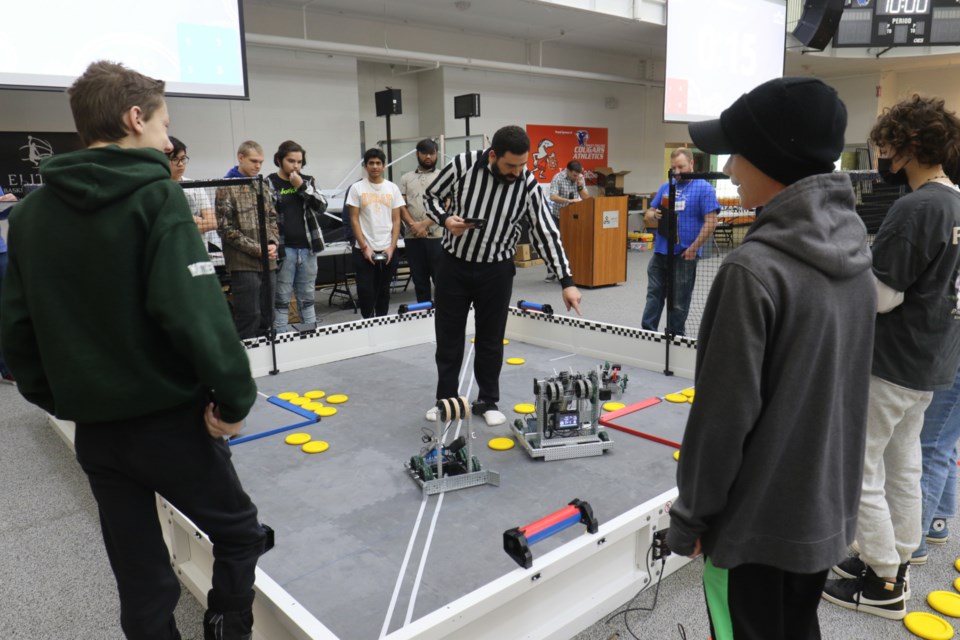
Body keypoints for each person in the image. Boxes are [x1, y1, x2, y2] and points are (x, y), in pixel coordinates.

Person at [0, 60, 267, 640]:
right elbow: (197, 317)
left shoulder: (27, 216)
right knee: (240, 530)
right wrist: (233, 401)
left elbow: (15, 332)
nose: (169, 141)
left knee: (139, 574)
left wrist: (66, 397)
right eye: (165, 125)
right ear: (134, 117)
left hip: (96, 430)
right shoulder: (159, 200)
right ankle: (227, 629)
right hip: (169, 422)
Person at [665, 77, 876, 640]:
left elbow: (721, 418)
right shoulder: (858, 257)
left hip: (752, 530)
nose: (729, 167)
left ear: (772, 158)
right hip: (821, 514)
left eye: (737, 153)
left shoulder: (752, 271)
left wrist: (691, 520)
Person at [823, 94, 960, 620]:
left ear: (907, 146)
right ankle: (896, 561)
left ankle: (882, 582)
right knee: (904, 465)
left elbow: (883, 295)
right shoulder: (955, 201)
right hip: (931, 361)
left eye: (887, 145)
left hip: (891, 361)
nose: (883, 155)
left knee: (860, 468)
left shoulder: (918, 206)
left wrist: (848, 269)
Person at [423, 125, 582, 426]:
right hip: (453, 266)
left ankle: (488, 400)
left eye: (522, 165)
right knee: (449, 339)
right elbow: (430, 196)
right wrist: (445, 219)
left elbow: (546, 232)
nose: (517, 172)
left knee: (491, 340)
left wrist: (567, 281)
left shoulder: (528, 183)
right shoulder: (463, 165)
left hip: (496, 270)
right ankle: (446, 400)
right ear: (493, 155)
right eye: (511, 165)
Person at [640, 148, 719, 336]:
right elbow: (648, 213)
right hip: (660, 252)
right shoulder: (666, 186)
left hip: (685, 254)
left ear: (691, 164)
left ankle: (675, 337)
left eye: (681, 167)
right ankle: (647, 334)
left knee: (679, 301)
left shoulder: (704, 188)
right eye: (673, 168)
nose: (677, 172)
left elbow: (711, 222)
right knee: (654, 296)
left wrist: (694, 249)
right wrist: (654, 214)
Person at [216, 141, 280, 339]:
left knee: (268, 313)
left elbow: (272, 217)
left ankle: (265, 355)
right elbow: (225, 229)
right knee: (249, 314)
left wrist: (272, 243)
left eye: (261, 162)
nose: (258, 166)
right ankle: (247, 357)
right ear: (240, 157)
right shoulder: (226, 187)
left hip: (268, 260)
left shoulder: (262, 185)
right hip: (243, 263)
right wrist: (257, 248)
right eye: (253, 161)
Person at [267, 140, 327, 333]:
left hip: (308, 247)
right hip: (284, 250)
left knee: (307, 298)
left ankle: (310, 336)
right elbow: (267, 216)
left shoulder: (307, 180)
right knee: (282, 299)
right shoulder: (270, 182)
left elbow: (322, 206)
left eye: (299, 162)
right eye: (291, 161)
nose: (296, 166)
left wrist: (301, 187)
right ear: (279, 160)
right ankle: (282, 341)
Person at [346, 148, 403, 318]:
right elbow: (354, 219)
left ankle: (382, 322)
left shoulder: (392, 188)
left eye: (378, 163)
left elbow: (396, 221)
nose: (375, 166)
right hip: (364, 249)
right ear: (365, 166)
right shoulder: (357, 188)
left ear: (384, 166)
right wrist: (364, 248)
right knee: (366, 291)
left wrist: (392, 247)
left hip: (388, 248)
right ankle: (367, 323)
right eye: (371, 163)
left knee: (384, 290)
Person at [398, 138, 443, 302]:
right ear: (418, 154)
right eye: (425, 153)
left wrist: (424, 224)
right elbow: (401, 205)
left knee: (441, 280)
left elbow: (446, 204)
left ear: (436, 154)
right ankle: (423, 315)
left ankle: (443, 316)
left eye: (432, 153)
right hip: (413, 237)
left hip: (437, 236)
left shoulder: (443, 176)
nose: (428, 157)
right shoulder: (406, 178)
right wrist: (414, 225)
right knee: (419, 281)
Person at [545, 160, 590, 281]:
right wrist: (569, 201)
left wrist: (580, 185)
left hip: (575, 216)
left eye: (578, 175)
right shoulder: (558, 178)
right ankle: (551, 271)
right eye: (574, 175)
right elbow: (553, 196)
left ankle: (571, 270)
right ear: (568, 171)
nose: (576, 177)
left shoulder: (579, 178)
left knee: (573, 243)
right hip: (559, 215)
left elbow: (586, 197)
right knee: (556, 244)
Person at [0, 185, 17, 383]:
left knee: (6, 310)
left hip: (1, 252)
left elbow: (3, 216)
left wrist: (9, 203)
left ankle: (6, 366)